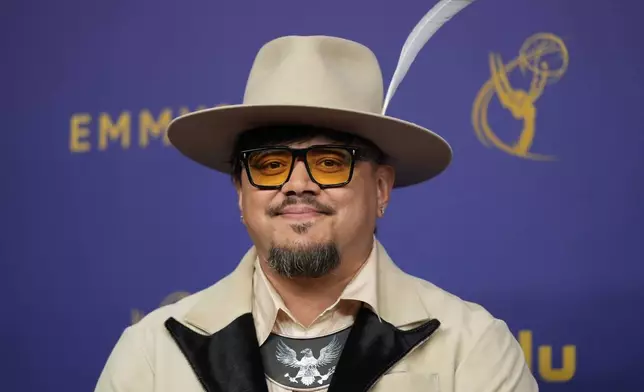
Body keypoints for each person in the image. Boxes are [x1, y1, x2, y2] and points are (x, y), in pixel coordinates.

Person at [94, 34, 538, 392]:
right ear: (240, 191)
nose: (297, 184)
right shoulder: (152, 354)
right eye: (270, 165)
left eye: (329, 162)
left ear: (381, 188)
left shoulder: (471, 347)